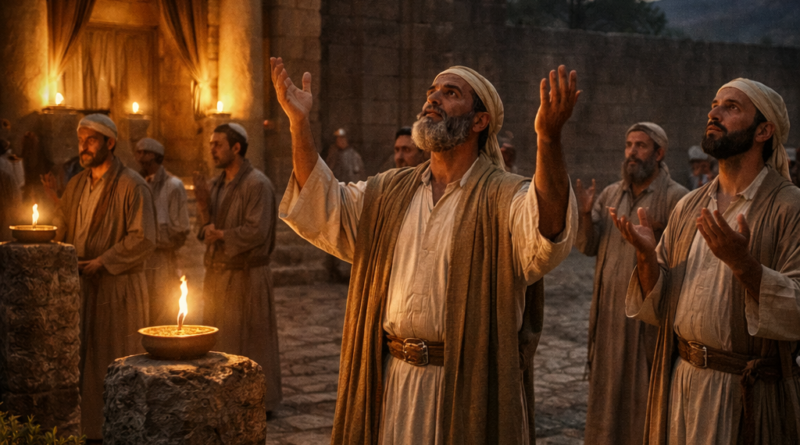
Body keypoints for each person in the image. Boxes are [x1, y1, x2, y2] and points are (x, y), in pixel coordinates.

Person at [272, 56, 579, 443]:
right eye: (431, 92)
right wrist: (298, 123)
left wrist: (549, 140)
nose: (432, 99)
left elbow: (546, 229)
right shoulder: (388, 192)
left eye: (450, 94)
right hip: (393, 381)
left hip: (468, 390)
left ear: (480, 121)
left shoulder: (503, 198)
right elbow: (322, 200)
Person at [614, 78, 800, 444]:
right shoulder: (690, 206)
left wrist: (744, 264)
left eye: (732, 107)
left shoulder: (789, 208)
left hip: (746, 395)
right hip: (683, 384)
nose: (714, 113)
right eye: (715, 104)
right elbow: (661, 304)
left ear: (764, 130)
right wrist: (646, 258)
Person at [575, 122, 688, 445]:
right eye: (628, 145)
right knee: (607, 399)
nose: (632, 153)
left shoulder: (676, 198)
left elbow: (681, 264)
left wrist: (658, 233)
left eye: (640, 145)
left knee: (645, 401)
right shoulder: (611, 194)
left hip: (648, 324)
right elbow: (588, 246)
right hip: (609, 320)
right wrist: (585, 215)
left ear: (659, 153)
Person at [50, 114, 156, 440]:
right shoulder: (77, 184)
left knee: (114, 362)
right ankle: (89, 430)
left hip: (118, 288)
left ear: (110, 143)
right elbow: (61, 224)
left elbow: (143, 238)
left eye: (91, 140)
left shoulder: (132, 185)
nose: (83, 147)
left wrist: (104, 261)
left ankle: (120, 432)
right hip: (83, 286)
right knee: (84, 363)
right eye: (81, 140)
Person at [192, 123, 282, 413]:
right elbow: (205, 227)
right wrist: (204, 213)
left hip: (249, 275)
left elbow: (258, 230)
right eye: (211, 144)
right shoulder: (216, 184)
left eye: (217, 144)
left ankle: (258, 400)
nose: (212, 150)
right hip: (219, 274)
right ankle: (225, 397)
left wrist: (223, 236)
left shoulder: (258, 184)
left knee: (254, 338)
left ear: (236, 148)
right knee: (223, 337)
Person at [135, 137, 190, 325]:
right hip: (140, 258)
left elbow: (180, 230)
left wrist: (155, 238)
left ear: (155, 156)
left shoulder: (173, 186)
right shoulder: (138, 184)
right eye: (138, 152)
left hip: (162, 259)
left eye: (145, 153)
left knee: (161, 308)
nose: (140, 157)